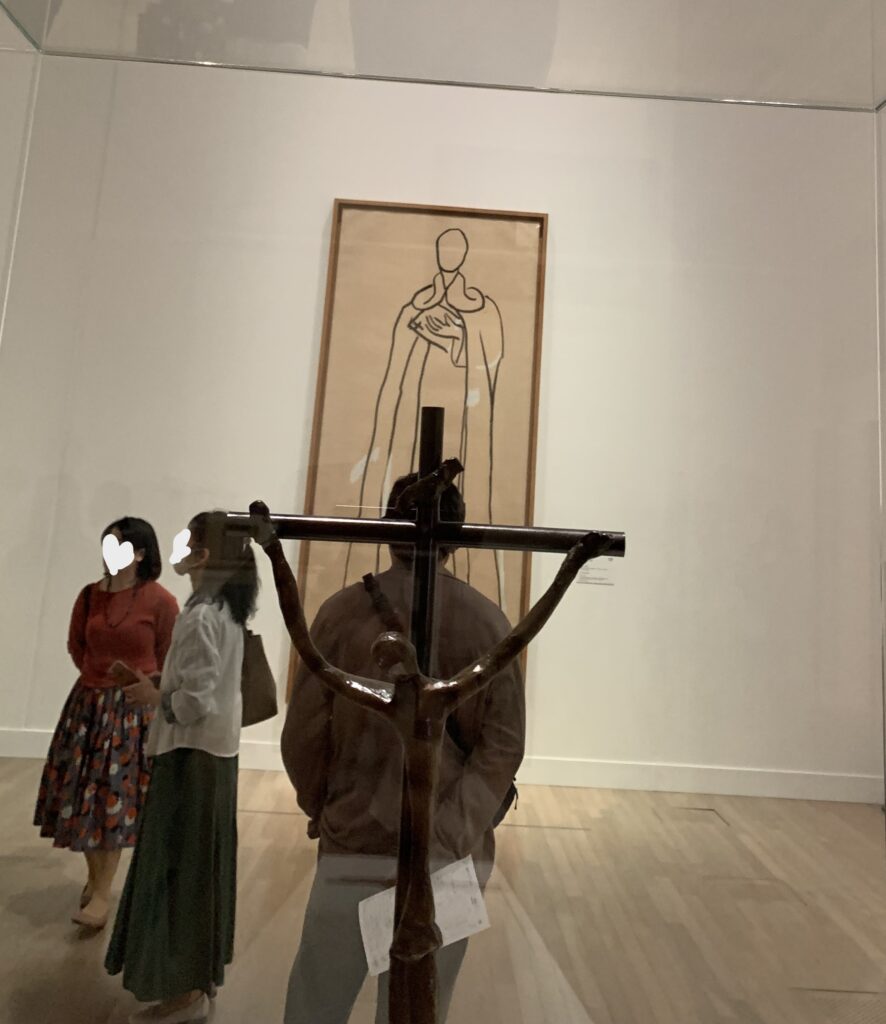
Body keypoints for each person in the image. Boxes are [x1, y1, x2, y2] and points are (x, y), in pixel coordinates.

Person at [256, 474, 526, 1024]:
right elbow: (503, 745)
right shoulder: (487, 621)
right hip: (448, 853)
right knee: (420, 1006)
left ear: (387, 527)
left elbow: (304, 736)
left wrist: (327, 810)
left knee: (319, 999)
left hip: (358, 840)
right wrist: (451, 831)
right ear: (456, 536)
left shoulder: (341, 613)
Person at [105, 511, 257, 1024]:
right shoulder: (226, 612)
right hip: (215, 758)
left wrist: (155, 697)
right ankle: (195, 982)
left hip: (190, 761)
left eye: (186, 542)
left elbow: (194, 702)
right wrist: (159, 686)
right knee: (199, 873)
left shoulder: (200, 615)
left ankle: (182, 993)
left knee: (178, 876)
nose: (178, 549)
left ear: (203, 555)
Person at [34, 516, 179, 930]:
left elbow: (169, 655)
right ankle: (96, 880)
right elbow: (77, 645)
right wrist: (97, 677)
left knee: (113, 799)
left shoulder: (160, 601)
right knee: (84, 799)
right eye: (106, 544)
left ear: (141, 553)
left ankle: (101, 893)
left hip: (132, 712)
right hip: (88, 707)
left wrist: (142, 688)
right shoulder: (89, 596)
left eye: (120, 546)